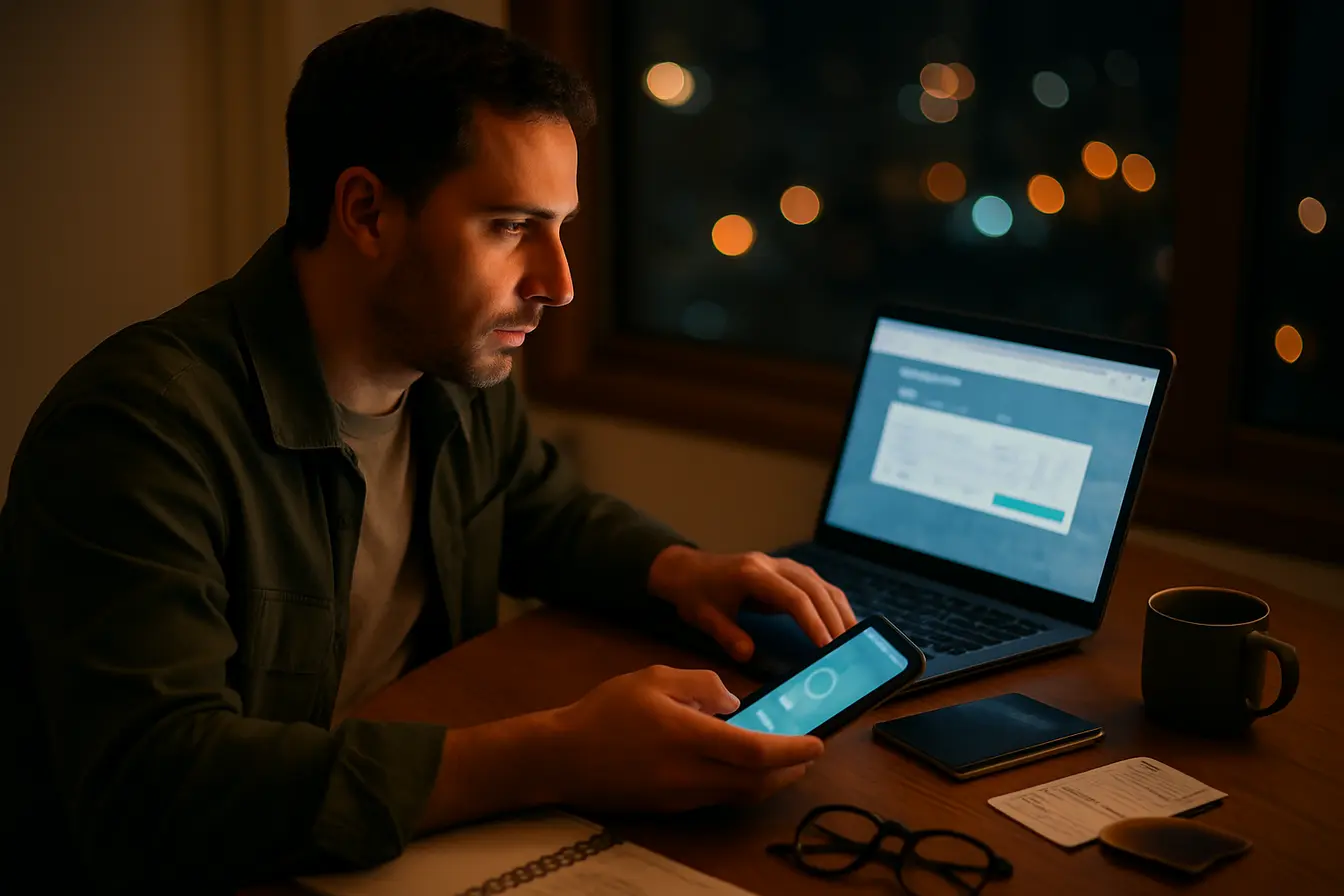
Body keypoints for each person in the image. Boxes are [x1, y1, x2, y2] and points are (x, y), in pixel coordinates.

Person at [0, 8, 856, 893]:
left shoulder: (454, 368)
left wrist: (679, 569)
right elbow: (161, 790)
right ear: (366, 211)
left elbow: (537, 508)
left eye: (559, 226)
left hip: (404, 844)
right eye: (510, 226)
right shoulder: (137, 430)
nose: (558, 284)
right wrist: (562, 753)